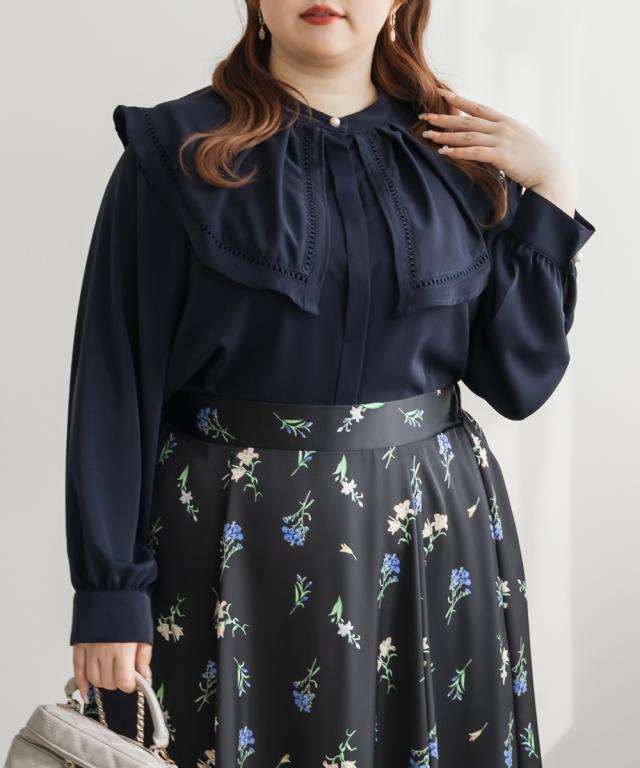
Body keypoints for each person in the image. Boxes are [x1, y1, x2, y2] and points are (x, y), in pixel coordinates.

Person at [65, 1, 595, 766]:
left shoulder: (460, 157)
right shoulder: (174, 154)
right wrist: (109, 595)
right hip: (224, 548)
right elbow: (115, 380)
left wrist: (550, 184)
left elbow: (519, 379)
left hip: (430, 544)